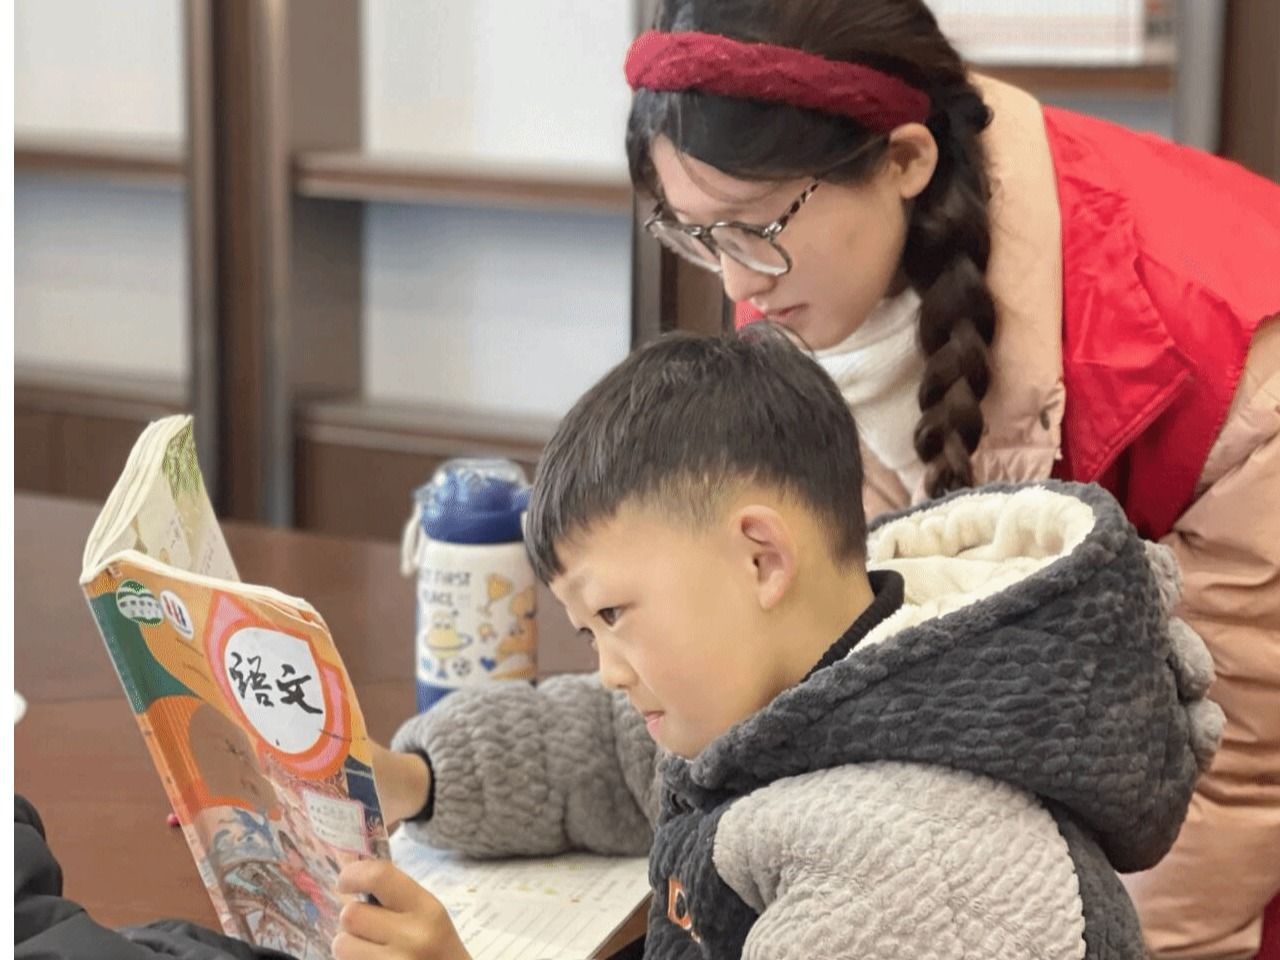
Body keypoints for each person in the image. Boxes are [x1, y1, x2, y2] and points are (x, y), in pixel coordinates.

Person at [619, 2, 1280, 955]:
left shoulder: (1228, 350)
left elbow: (1235, 775)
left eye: (753, 228)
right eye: (696, 234)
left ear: (905, 160)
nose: (735, 287)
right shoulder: (798, 267)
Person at [340, 332, 1220, 959]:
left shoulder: (908, 872)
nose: (606, 669)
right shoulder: (838, 652)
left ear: (761, 558)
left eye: (614, 614)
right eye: (588, 629)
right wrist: (409, 779)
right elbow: (613, 752)